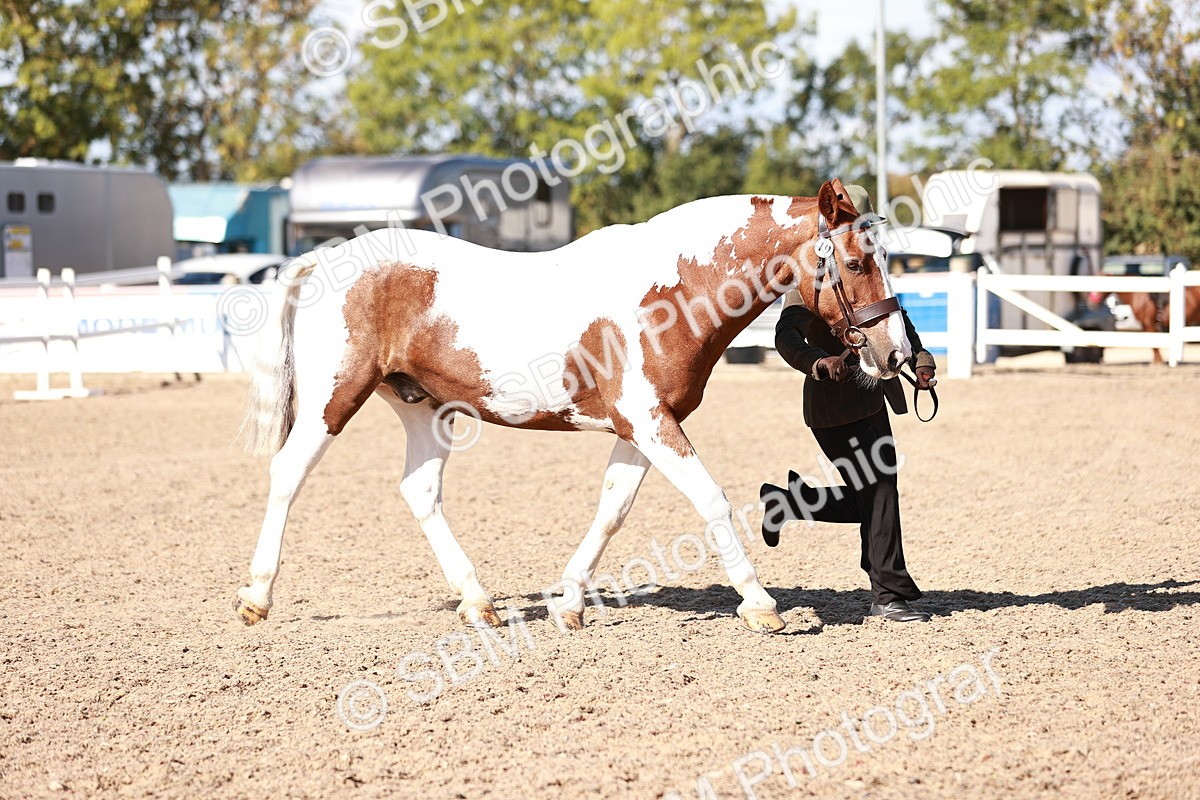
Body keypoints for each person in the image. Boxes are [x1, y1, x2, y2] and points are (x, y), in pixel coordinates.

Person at [760, 186, 937, 623]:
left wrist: (919, 355)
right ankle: (886, 593)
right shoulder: (810, 278)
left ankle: (789, 504)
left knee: (872, 496)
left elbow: (890, 316)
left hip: (871, 399)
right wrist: (816, 362)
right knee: (879, 491)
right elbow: (785, 336)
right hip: (833, 407)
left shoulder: (867, 266)